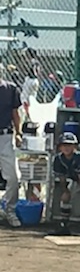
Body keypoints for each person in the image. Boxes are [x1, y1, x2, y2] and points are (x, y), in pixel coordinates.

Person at [51, 132, 80, 235]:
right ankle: (64, 225)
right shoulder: (58, 158)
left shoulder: (79, 156)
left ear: (75, 146)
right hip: (75, 180)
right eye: (64, 145)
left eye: (69, 145)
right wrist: (65, 191)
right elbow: (62, 177)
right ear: (60, 147)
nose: (66, 147)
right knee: (65, 199)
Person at [0, 64, 22, 227]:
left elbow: (16, 113)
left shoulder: (10, 89)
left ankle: (9, 209)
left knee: (14, 177)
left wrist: (18, 132)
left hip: (5, 136)